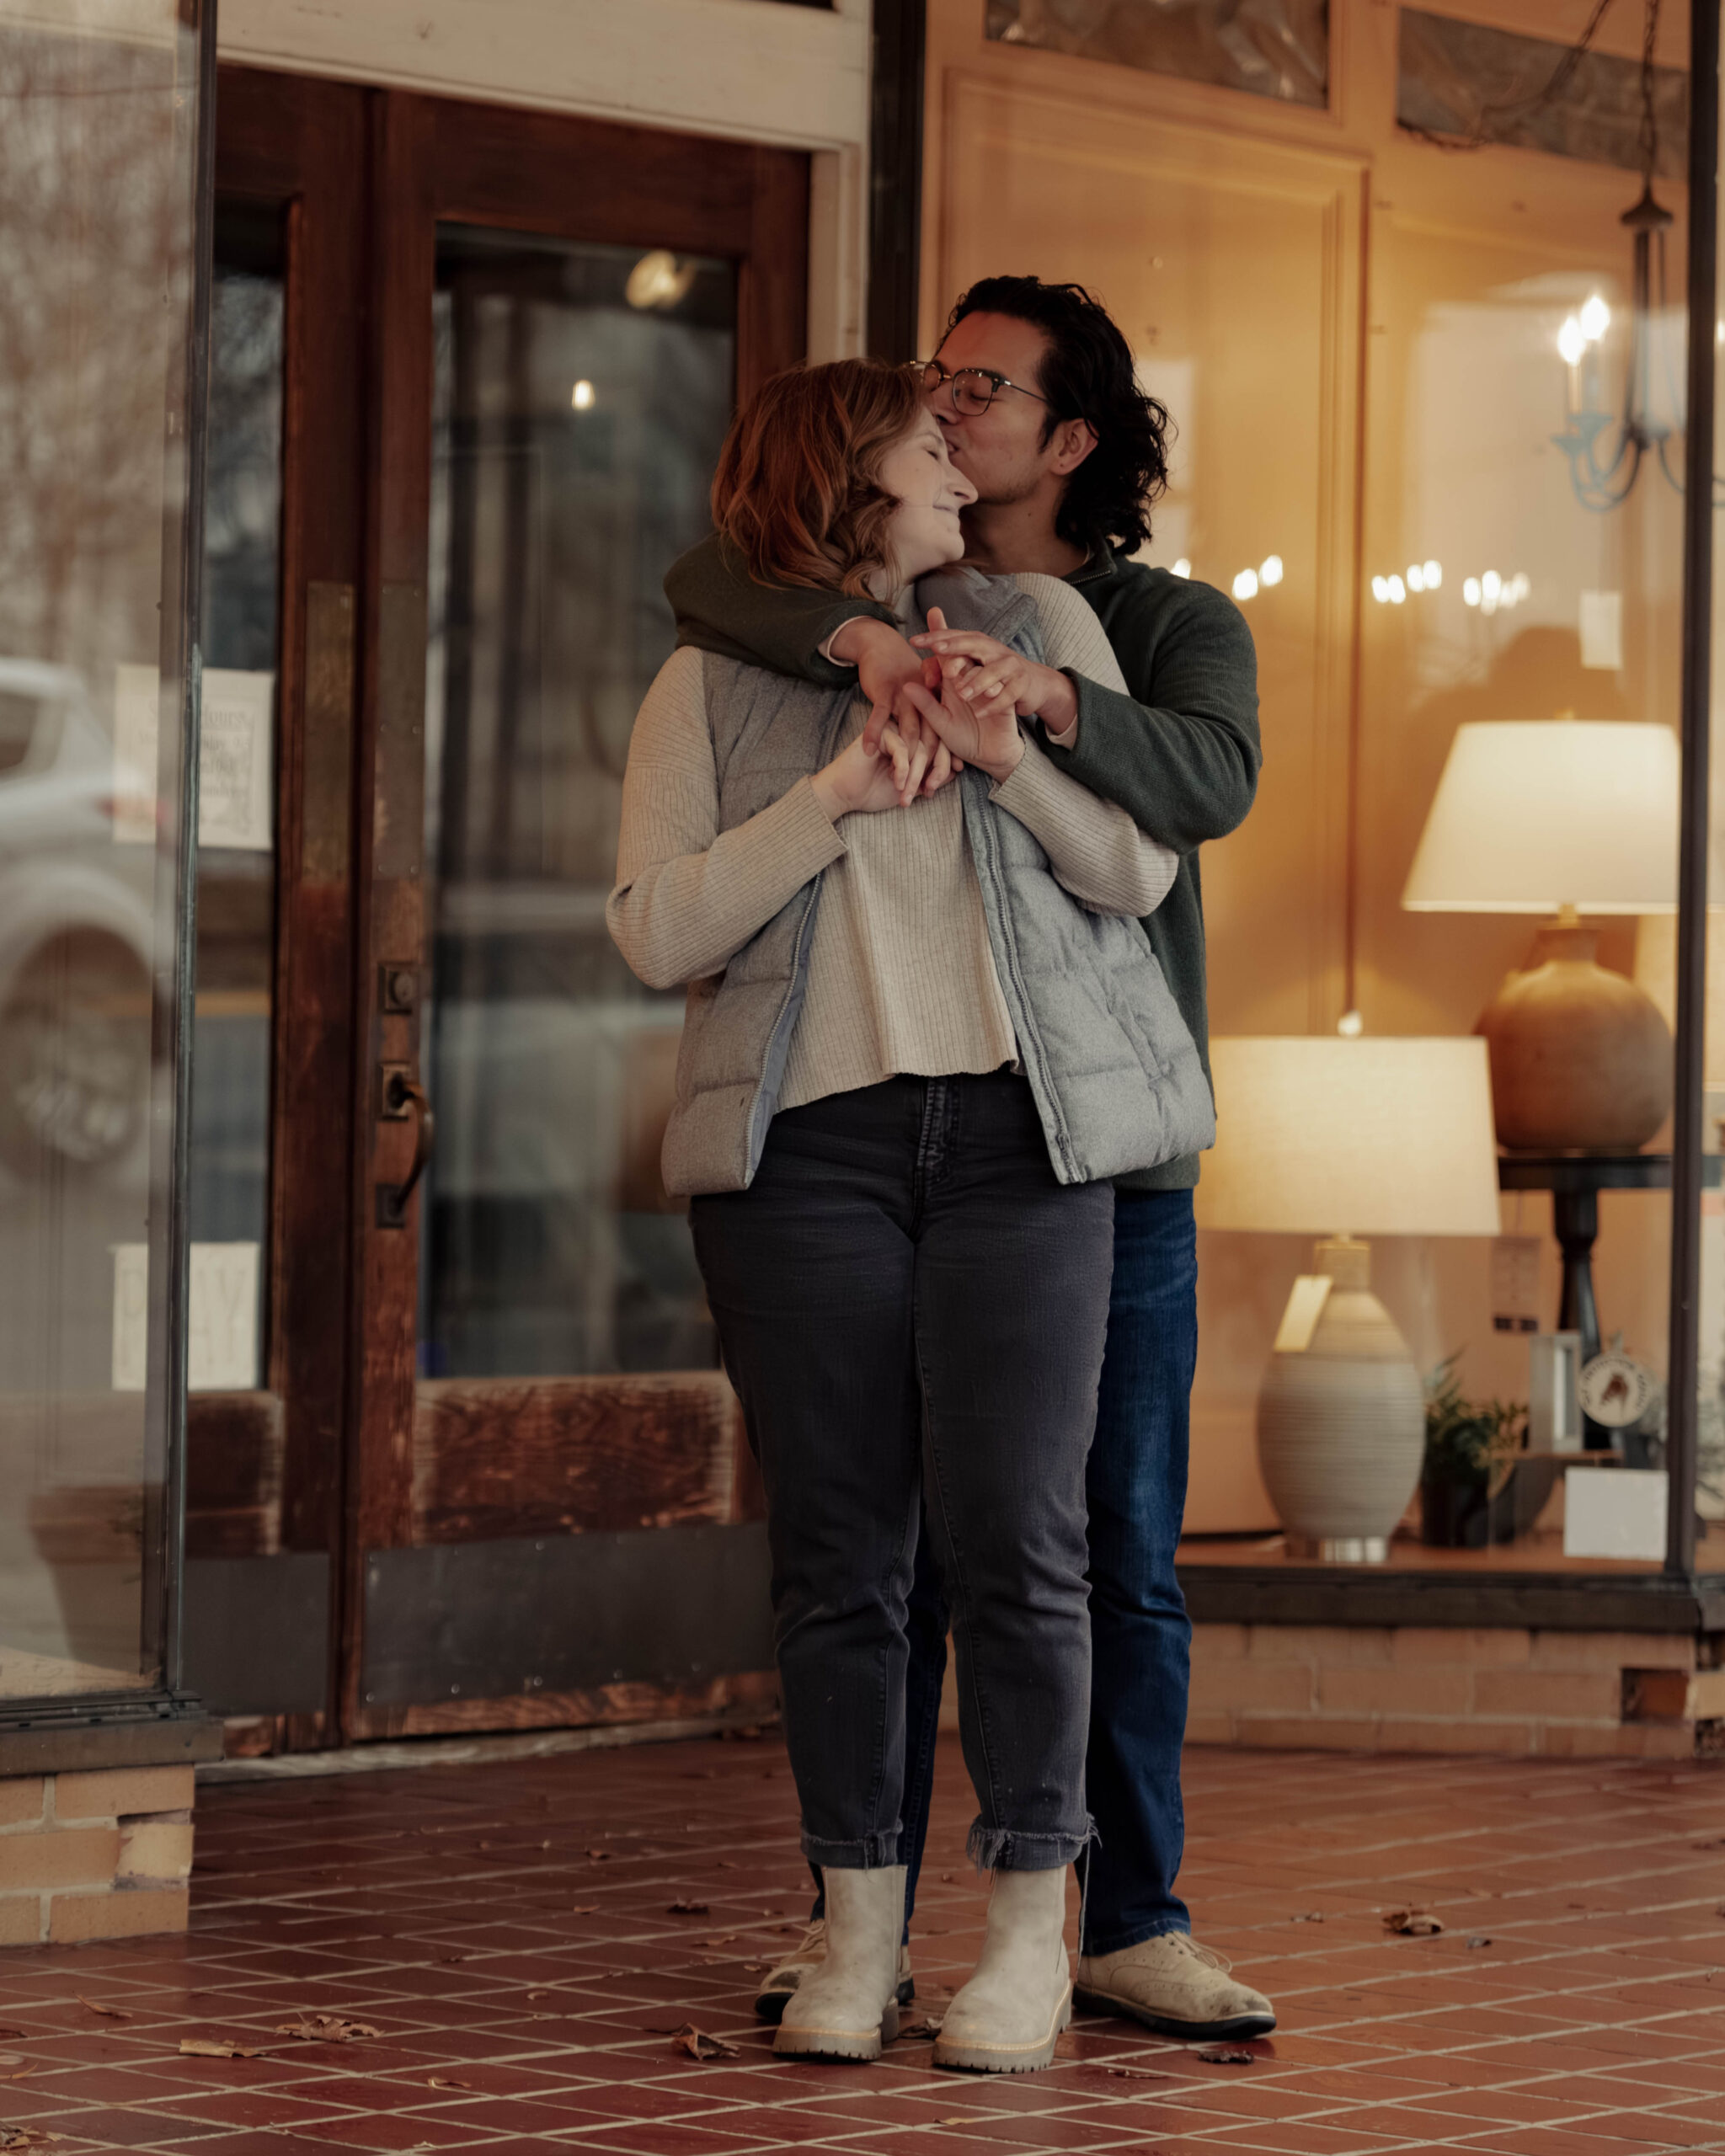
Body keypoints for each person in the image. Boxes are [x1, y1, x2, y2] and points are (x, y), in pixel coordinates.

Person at [665, 278, 1272, 2043]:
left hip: (1103, 1146)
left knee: (1095, 1541)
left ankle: (1121, 1915)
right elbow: (710, 577)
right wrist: (868, 645)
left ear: (1069, 436)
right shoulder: (806, 617)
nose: (950, 405)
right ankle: (857, 1915)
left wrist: (1040, 711)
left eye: (982, 386)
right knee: (873, 1542)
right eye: (932, 385)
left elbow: (1205, 789)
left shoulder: (1153, 620)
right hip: (872, 1131)